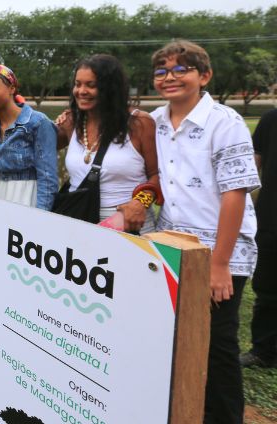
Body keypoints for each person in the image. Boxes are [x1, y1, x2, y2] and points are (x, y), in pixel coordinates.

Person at [149, 40, 259, 423]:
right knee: (177, 339)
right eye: (162, 71)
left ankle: (225, 417)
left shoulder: (224, 123)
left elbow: (235, 195)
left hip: (218, 252)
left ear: (204, 75)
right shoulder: (157, 121)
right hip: (173, 245)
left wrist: (220, 265)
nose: (170, 78)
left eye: (181, 69)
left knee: (217, 345)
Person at [54, 54, 159, 234]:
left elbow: (157, 176)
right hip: (79, 223)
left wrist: (140, 202)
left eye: (91, 85)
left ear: (110, 88)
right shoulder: (71, 122)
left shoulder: (139, 123)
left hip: (128, 224)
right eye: (77, 84)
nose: (81, 91)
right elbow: (35, 149)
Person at [0, 65, 57, 210]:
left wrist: (42, 217)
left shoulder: (37, 122)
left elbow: (48, 178)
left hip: (27, 197)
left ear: (12, 88)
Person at [242, 108, 277, 369]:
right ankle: (263, 351)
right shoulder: (271, 119)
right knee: (266, 288)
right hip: (270, 217)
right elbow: (254, 165)